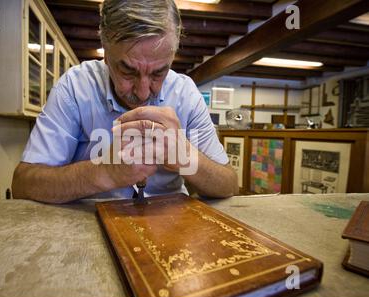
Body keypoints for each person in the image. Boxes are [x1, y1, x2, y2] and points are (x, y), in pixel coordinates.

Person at [12, 0, 238, 203]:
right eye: (127, 71)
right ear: (106, 55)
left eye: (159, 73)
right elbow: (23, 184)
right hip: (88, 225)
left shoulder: (186, 94)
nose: (142, 93)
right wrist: (104, 172)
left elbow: (228, 184)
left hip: (171, 226)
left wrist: (187, 158)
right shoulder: (74, 88)